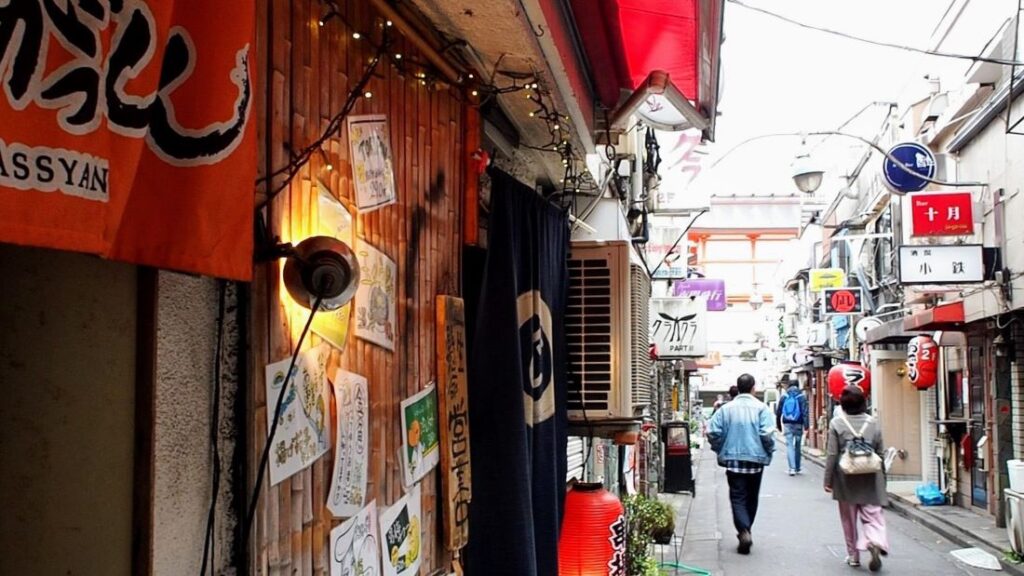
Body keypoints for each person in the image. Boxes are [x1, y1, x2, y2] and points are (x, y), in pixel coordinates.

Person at [707, 374, 775, 555]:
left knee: (737, 497)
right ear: (754, 388)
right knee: (752, 498)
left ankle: (743, 530)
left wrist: (720, 448)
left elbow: (713, 432)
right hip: (756, 460)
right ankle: (747, 529)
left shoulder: (725, 409)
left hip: (733, 462)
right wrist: (768, 451)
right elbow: (767, 435)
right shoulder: (762, 408)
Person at [824, 385, 890, 571]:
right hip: (871, 476)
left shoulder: (837, 423)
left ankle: (853, 555)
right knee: (873, 516)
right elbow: (880, 453)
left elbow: (831, 454)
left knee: (848, 519)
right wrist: (883, 479)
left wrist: (828, 480)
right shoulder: (874, 423)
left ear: (843, 404)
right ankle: (874, 541)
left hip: (846, 477)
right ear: (864, 403)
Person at [776, 379, 809, 476]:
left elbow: (778, 412)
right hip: (799, 424)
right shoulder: (801, 397)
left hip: (787, 424)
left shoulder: (784, 397)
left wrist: (778, 425)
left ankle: (792, 468)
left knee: (789, 445)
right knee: (797, 446)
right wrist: (806, 426)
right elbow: (805, 412)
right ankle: (798, 467)